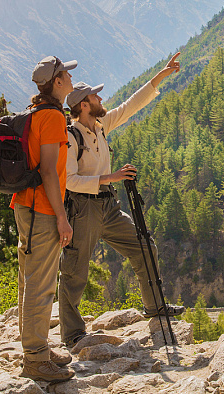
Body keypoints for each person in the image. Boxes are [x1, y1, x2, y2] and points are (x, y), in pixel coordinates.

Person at [59, 53, 184, 346]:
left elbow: (130, 106)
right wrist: (109, 178)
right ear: (84, 105)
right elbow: (69, 180)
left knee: (144, 247)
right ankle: (73, 334)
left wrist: (161, 76)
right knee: (75, 269)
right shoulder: (70, 137)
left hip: (107, 206)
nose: (102, 99)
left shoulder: (100, 127)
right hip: (83, 207)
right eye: (96, 96)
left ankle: (155, 308)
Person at [11, 55, 77, 382]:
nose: (70, 77)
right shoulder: (51, 117)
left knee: (29, 278)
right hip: (43, 209)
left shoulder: (36, 111)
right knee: (41, 283)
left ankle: (36, 347)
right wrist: (62, 217)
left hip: (25, 204)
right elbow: (49, 170)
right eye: (66, 73)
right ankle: (35, 359)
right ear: (57, 82)